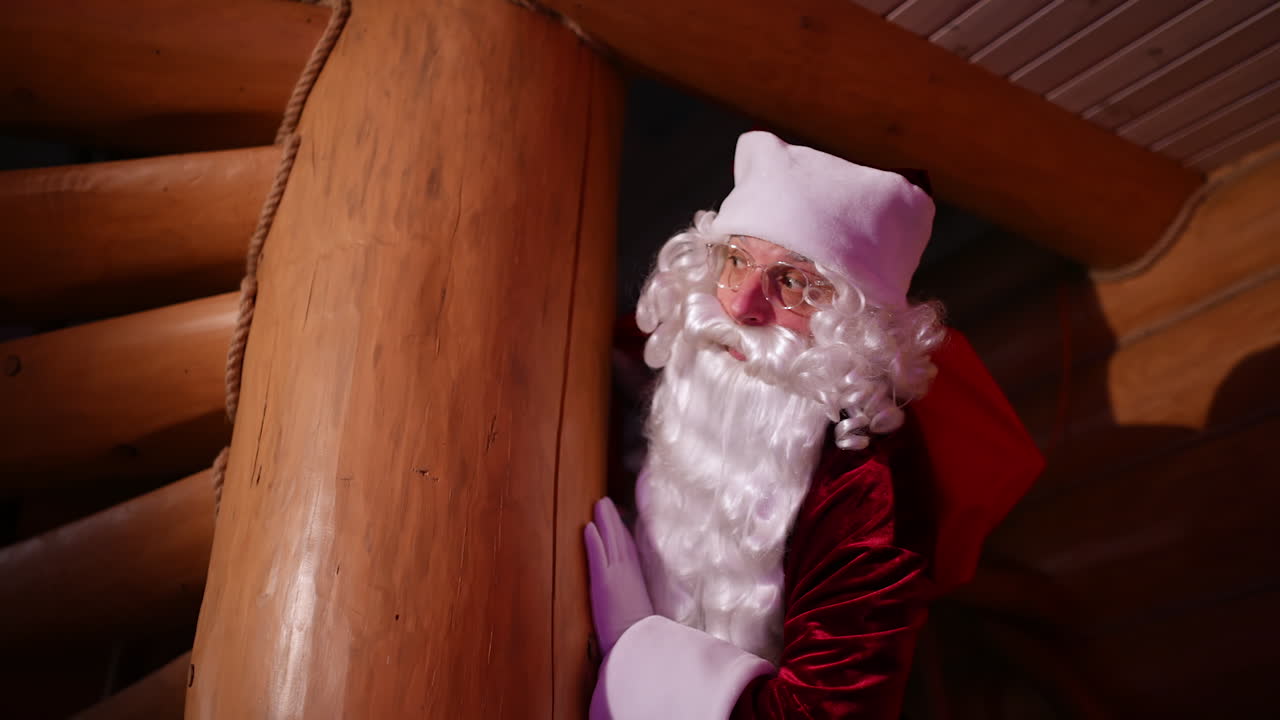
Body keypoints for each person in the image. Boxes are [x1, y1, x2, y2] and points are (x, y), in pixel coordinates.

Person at [584, 131, 1044, 719]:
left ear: (857, 324)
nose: (743, 304)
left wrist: (640, 653)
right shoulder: (698, 354)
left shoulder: (866, 488)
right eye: (735, 260)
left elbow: (823, 713)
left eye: (795, 283)